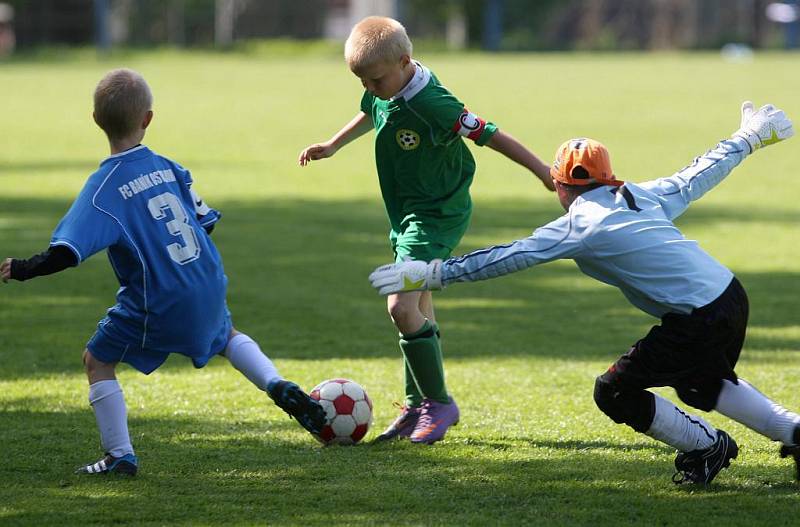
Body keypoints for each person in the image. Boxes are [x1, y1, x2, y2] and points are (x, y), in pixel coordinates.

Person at [368, 101, 800, 484]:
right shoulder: (640, 194)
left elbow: (508, 256)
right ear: (608, 177)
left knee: (614, 391)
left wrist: (432, 274)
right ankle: (794, 433)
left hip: (698, 317)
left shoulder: (579, 225)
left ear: (559, 185)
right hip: (729, 295)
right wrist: (751, 135)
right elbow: (699, 172)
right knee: (701, 384)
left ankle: (708, 448)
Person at [0, 68, 326, 476]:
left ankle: (120, 456)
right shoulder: (169, 167)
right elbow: (207, 223)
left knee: (97, 360)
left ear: (96, 120)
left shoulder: (102, 190)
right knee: (226, 335)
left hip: (160, 297)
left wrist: (22, 268)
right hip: (205, 278)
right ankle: (276, 383)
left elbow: (66, 253)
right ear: (147, 119)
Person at [298, 16, 554, 444]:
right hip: (405, 215)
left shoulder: (433, 102)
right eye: (361, 81)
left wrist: (543, 171)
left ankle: (439, 403)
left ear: (404, 62)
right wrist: (333, 144)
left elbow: (490, 134)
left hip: (435, 215)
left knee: (400, 306)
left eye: (375, 80)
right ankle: (418, 405)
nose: (369, 88)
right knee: (419, 310)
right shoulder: (386, 86)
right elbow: (370, 110)